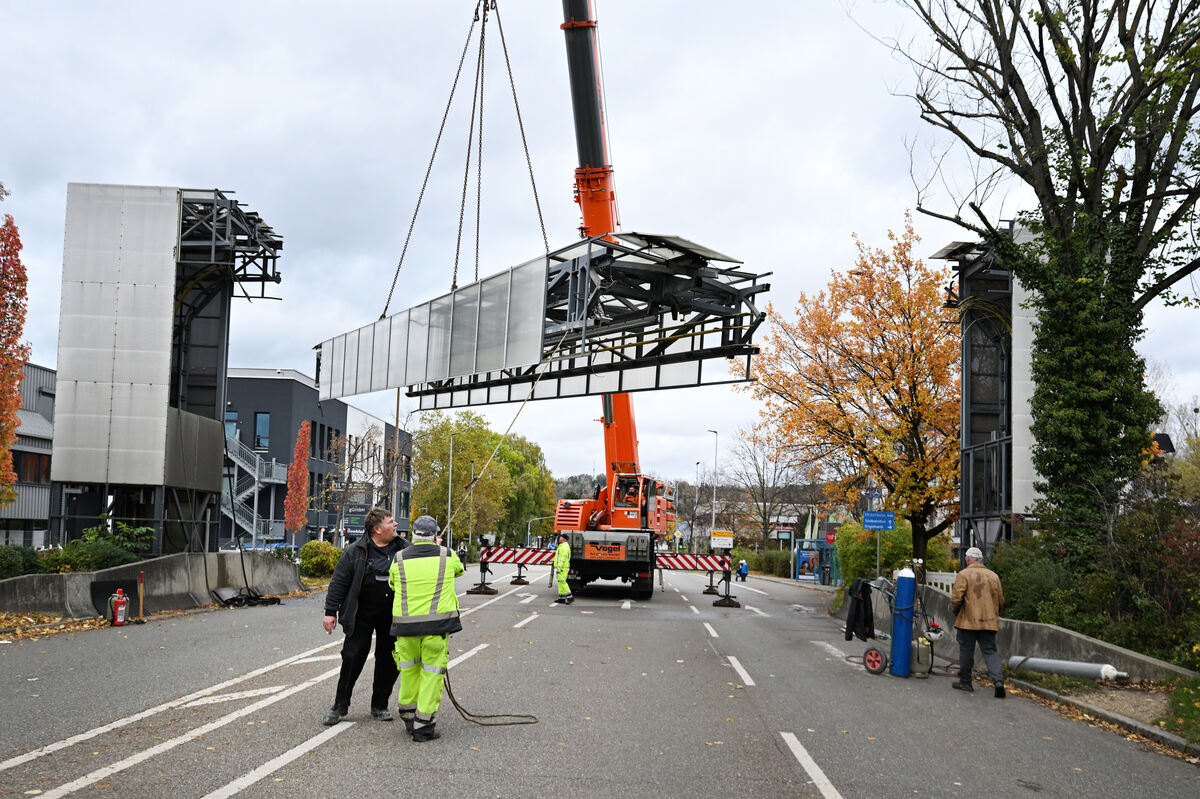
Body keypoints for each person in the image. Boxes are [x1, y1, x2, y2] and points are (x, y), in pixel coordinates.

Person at [321, 508, 410, 725]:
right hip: (361, 613)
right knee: (352, 657)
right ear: (377, 529)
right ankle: (340, 705)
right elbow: (339, 581)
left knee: (389, 660)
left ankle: (379, 705)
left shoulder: (405, 549)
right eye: (391, 522)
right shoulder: (356, 550)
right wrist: (330, 612)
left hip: (393, 615)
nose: (396, 524)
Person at [389, 515, 465, 741]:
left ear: (413, 534)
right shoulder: (447, 555)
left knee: (409, 671)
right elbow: (459, 571)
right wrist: (440, 548)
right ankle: (423, 727)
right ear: (435, 535)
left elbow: (393, 583)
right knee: (431, 674)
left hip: (405, 629)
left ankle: (408, 715)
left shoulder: (399, 557)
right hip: (436, 628)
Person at [950, 546, 1006, 697]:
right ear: (980, 560)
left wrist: (957, 612)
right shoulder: (993, 576)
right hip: (989, 621)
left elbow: (956, 598)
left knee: (966, 650)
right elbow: (1000, 600)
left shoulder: (964, 574)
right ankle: (998, 681)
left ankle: (965, 682)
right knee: (990, 651)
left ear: (968, 559)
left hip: (968, 621)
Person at [553, 531, 573, 604]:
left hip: (562, 568)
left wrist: (559, 567)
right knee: (560, 582)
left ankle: (570, 597)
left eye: (561, 537)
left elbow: (562, 558)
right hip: (562, 568)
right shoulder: (562, 546)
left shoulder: (564, 547)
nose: (559, 538)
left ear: (563, 539)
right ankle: (561, 598)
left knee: (562, 582)